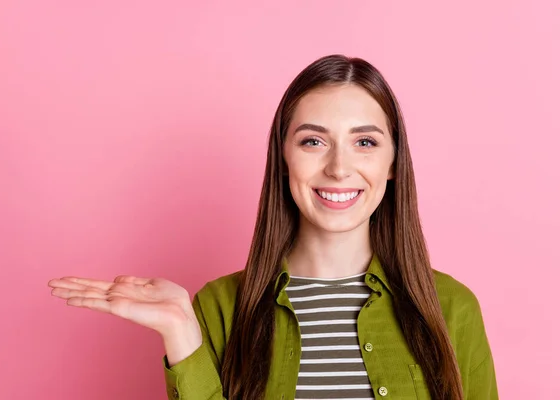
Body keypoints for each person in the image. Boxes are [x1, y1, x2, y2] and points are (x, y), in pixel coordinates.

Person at [48, 54, 498, 400]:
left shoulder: (452, 309)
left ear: (393, 162)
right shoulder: (220, 307)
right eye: (313, 141)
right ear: (283, 159)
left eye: (364, 142)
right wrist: (181, 330)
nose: (339, 168)